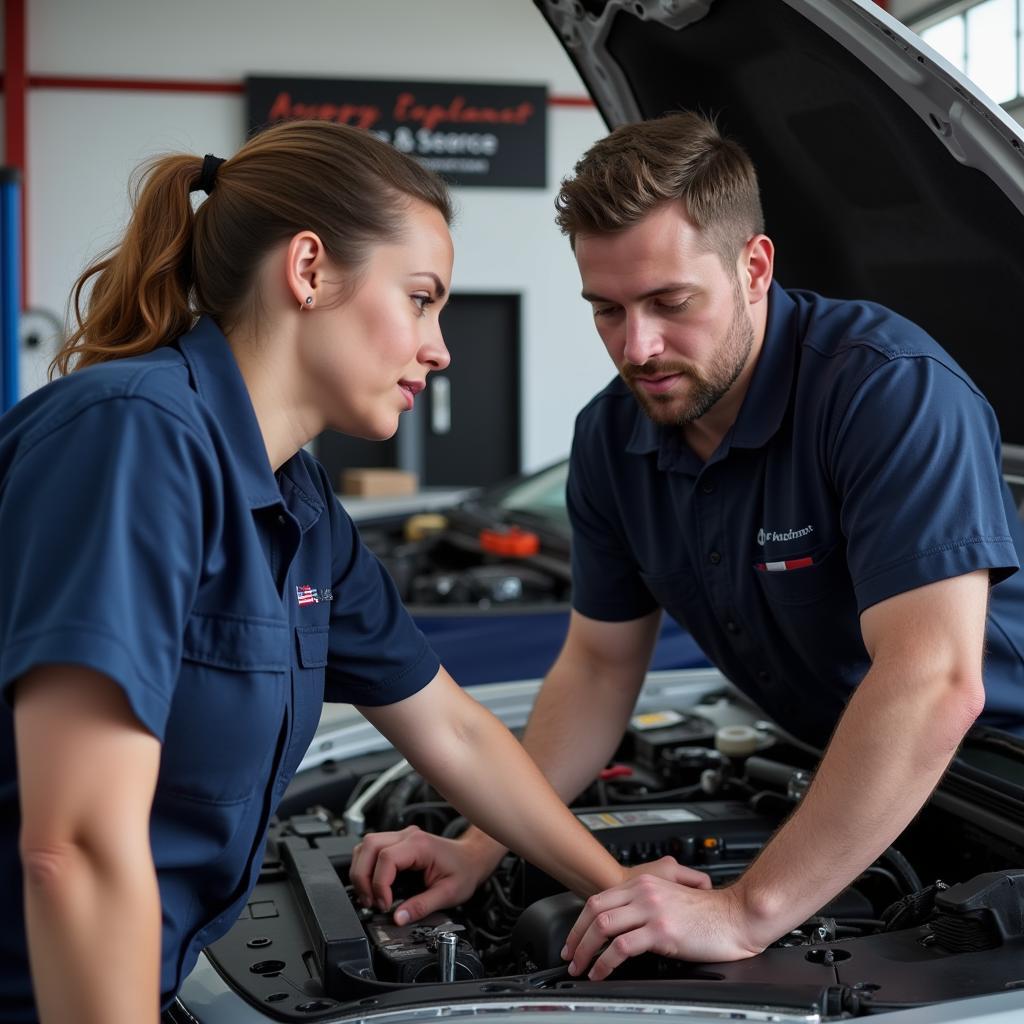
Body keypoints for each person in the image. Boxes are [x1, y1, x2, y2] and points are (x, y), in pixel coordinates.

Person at [0, 120, 707, 1024]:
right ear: (308, 270)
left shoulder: (298, 504)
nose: (441, 346)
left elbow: (451, 728)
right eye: (420, 299)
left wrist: (621, 894)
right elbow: (77, 849)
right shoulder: (133, 439)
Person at [351, 111, 1024, 979]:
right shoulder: (610, 440)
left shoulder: (886, 393)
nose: (639, 348)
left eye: (671, 303)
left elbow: (932, 682)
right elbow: (596, 670)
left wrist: (746, 913)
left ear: (755, 267)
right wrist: (481, 843)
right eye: (607, 311)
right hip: (865, 778)